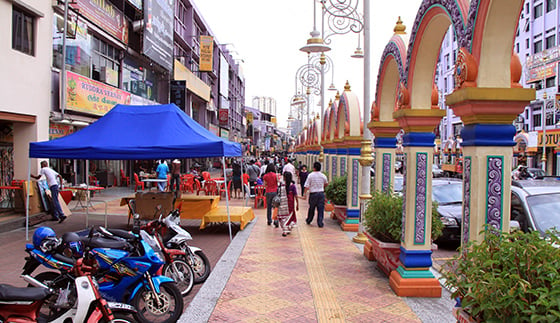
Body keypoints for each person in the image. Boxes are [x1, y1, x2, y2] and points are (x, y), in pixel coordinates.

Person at [302, 161, 328, 227]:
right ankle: (320, 222)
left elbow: (306, 186)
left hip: (313, 194)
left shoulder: (310, 175)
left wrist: (304, 194)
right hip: (321, 194)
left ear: (314, 168)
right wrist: (322, 187)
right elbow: (326, 183)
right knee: (320, 209)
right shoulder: (323, 176)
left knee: (311, 208)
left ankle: (309, 220)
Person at [277, 171, 298, 236]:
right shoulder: (292, 186)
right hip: (290, 203)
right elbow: (295, 195)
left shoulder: (281, 185)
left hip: (282, 204)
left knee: (283, 217)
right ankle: (287, 228)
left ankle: (285, 230)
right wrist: (297, 204)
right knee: (289, 216)